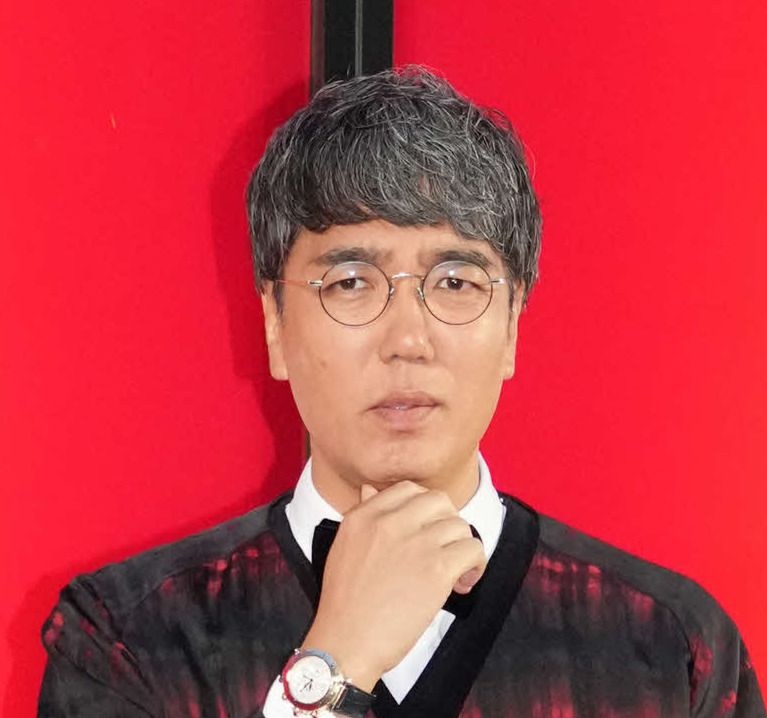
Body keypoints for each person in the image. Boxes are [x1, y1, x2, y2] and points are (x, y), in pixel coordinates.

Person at [38, 67, 764, 718]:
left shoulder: (672, 649)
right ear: (274, 325)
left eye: (456, 282)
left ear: (512, 326)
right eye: (351, 282)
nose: (408, 339)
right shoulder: (128, 640)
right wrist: (334, 665)